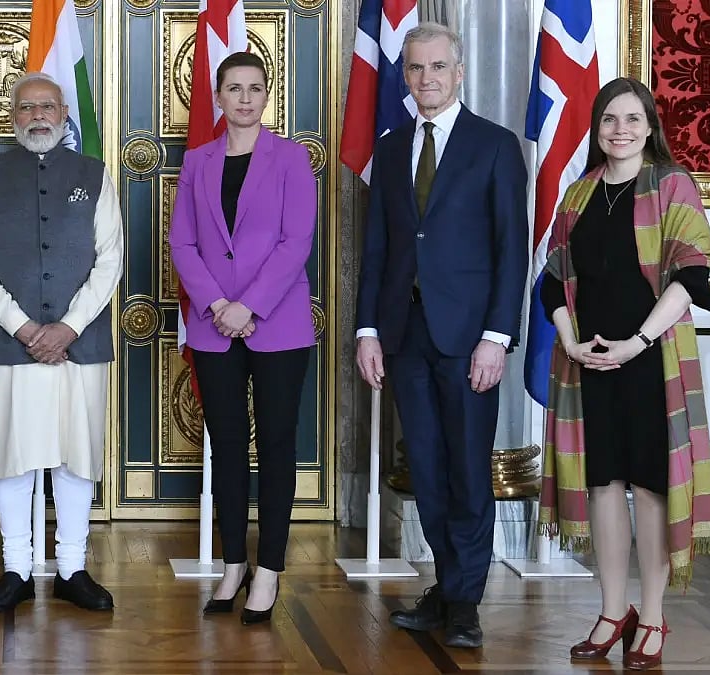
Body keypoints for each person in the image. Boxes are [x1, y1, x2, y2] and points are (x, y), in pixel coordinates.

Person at [354, 22, 528, 648]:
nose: (426, 79)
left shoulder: (496, 146)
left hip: (469, 339)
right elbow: (379, 247)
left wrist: (497, 336)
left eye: (437, 68)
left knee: (467, 472)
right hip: (405, 334)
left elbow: (512, 253)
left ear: (459, 73)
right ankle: (448, 587)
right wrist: (368, 329)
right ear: (406, 75)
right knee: (426, 469)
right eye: (416, 69)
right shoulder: (393, 145)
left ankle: (464, 603)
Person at [537, 77, 710, 671]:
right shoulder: (579, 192)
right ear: (596, 128)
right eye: (610, 119)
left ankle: (654, 614)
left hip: (649, 365)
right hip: (589, 362)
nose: (621, 130)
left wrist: (635, 344)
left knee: (648, 486)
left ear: (650, 126)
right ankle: (614, 611)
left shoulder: (672, 186)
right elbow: (552, 279)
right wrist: (570, 340)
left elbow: (691, 280)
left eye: (632, 119)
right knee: (603, 486)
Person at [0, 72, 123, 614]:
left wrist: (69, 327)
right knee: (13, 454)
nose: (37, 116)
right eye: (27, 107)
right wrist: (24, 327)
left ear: (63, 111)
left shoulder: (95, 175)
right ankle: (17, 569)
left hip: (81, 341)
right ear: (14, 115)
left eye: (47, 106)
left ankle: (73, 567)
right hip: (10, 344)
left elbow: (110, 259)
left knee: (76, 455)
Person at [168, 52, 317, 625]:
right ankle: (233, 564)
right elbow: (183, 244)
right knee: (226, 448)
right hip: (213, 327)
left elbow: (295, 241)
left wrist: (247, 306)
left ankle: (270, 569)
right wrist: (217, 306)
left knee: (277, 446)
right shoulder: (200, 162)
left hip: (277, 324)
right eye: (235, 88)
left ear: (266, 94)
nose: (246, 98)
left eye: (256, 87)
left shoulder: (291, 159)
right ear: (219, 96)